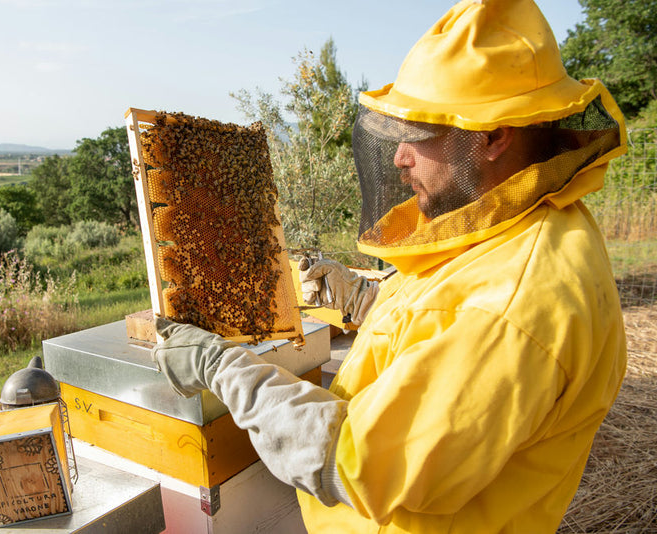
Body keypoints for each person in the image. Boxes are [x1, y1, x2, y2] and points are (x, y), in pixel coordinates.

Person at [151, 0, 629, 531]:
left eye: (420, 134)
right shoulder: (517, 226)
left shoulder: (515, 308)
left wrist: (222, 368)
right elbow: (444, 321)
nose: (399, 155)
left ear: (492, 137)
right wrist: (359, 297)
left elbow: (360, 466)